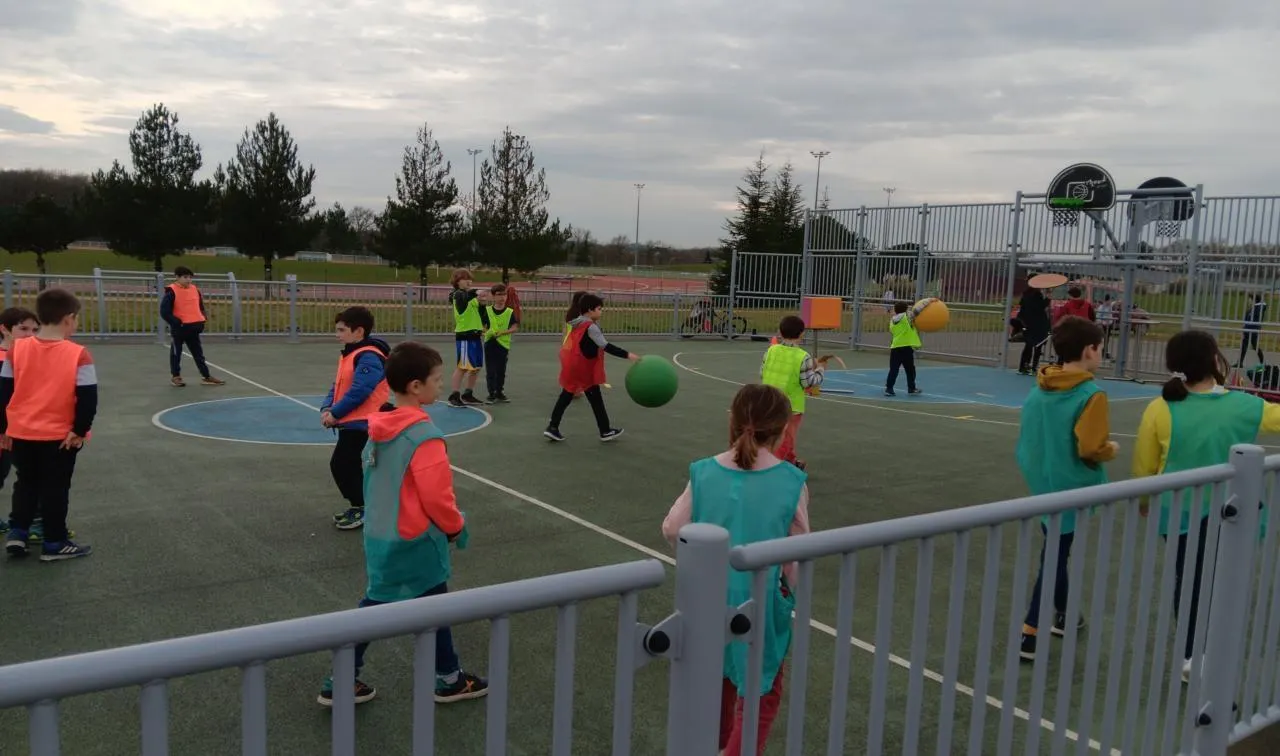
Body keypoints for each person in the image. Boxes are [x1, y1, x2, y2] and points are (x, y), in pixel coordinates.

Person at [317, 341, 487, 706]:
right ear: (415, 386)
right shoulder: (423, 437)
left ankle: (446, 676)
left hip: (381, 532)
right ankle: (445, 679)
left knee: (413, 603)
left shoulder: (379, 427)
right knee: (407, 606)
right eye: (437, 379)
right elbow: (437, 497)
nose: (440, 385)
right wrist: (455, 527)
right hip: (415, 538)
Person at [661, 384, 810, 755]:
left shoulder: (703, 472)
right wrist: (788, 589)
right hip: (761, 600)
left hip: (709, 595)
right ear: (783, 430)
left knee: (717, 682)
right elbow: (798, 550)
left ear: (732, 420)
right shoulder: (792, 481)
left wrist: (700, 562)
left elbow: (673, 528)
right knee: (760, 693)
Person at [1133, 329, 1280, 682]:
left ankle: (1191, 653)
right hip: (1232, 511)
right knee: (1224, 580)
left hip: (1178, 510)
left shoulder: (1160, 408)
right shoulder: (1246, 405)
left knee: (1189, 580)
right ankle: (1210, 647)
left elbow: (1144, 465)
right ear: (1215, 360)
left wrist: (1144, 501)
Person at [1014, 315, 1117, 660]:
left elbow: (1029, 435)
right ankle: (1031, 628)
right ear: (1089, 350)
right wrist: (1110, 450)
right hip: (1071, 483)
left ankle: (1066, 615)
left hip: (1042, 478)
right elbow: (1090, 447)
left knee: (1056, 548)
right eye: (1100, 348)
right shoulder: (1091, 394)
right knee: (1056, 554)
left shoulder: (1040, 387)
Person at [0, 288, 97, 561]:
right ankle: (54, 542)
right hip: (59, 436)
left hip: (21, 433)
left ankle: (18, 533)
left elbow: (4, 392)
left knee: (26, 483)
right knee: (55, 488)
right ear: (68, 318)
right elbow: (88, 398)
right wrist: (79, 430)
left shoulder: (16, 350)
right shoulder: (79, 354)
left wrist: (3, 428)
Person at [320, 306, 391, 531]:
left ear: (359, 331)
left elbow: (360, 391)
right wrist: (327, 407)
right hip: (352, 420)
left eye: (342, 330)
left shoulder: (368, 356)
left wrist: (335, 413)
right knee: (349, 464)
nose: (337, 335)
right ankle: (362, 504)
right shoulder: (351, 353)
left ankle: (363, 507)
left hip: (364, 422)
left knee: (342, 464)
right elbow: (338, 385)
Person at [544, 293, 638, 442]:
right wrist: (628, 355)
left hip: (572, 365)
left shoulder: (576, 323)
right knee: (595, 399)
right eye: (599, 309)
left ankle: (553, 427)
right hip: (583, 368)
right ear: (590, 310)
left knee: (566, 396)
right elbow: (605, 345)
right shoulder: (590, 326)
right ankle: (605, 431)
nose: (601, 312)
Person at [759, 315, 826, 470]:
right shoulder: (803, 356)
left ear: (780, 332)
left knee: (771, 434)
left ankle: (790, 460)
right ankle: (775, 468)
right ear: (802, 333)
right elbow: (808, 382)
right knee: (786, 438)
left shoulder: (771, 350)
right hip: (791, 405)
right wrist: (820, 370)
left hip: (768, 400)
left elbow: (762, 372)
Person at [160, 266, 225, 387]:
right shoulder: (171, 291)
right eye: (185, 277)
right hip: (179, 329)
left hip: (194, 328)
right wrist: (176, 322)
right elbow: (164, 312)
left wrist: (203, 318)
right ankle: (176, 376)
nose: (188, 280)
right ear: (177, 277)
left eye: (190, 277)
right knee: (176, 353)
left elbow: (200, 306)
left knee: (198, 354)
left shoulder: (195, 289)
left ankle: (206, 376)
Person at [446, 268, 489, 407]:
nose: (468, 281)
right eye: (465, 279)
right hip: (464, 336)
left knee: (475, 367)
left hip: (475, 335)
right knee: (462, 367)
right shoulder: (457, 294)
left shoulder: (471, 297)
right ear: (457, 281)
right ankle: (454, 395)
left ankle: (468, 394)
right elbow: (464, 298)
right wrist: (476, 292)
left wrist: (482, 304)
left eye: (470, 279)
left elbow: (481, 314)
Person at [483, 283, 520, 403]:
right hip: (490, 343)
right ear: (493, 296)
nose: (502, 297)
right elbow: (482, 326)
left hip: (503, 344)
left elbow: (514, 327)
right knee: (491, 369)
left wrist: (503, 332)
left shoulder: (509, 312)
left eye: (504, 294)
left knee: (501, 370)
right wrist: (486, 332)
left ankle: (499, 392)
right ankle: (491, 393)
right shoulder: (487, 310)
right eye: (499, 295)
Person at [884, 301, 923, 397]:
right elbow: (918, 310)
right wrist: (929, 301)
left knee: (894, 369)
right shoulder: (907, 317)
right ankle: (911, 388)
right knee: (910, 369)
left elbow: (892, 332)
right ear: (905, 309)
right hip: (906, 347)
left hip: (895, 347)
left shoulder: (892, 320)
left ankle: (889, 389)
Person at [1017, 277, 1051, 375]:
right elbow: (1040, 307)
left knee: (1028, 345)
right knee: (1038, 345)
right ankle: (1034, 367)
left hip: (1028, 323)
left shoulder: (1026, 294)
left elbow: (1022, 308)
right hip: (1038, 324)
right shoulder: (1036, 295)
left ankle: (1024, 366)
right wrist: (1048, 298)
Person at [1239, 294, 1266, 368]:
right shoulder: (1252, 309)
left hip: (1253, 330)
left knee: (1255, 346)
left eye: (1250, 299)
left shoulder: (1259, 308)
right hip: (1247, 330)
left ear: (1254, 300)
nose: (1248, 301)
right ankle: (1240, 362)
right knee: (1244, 345)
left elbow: (1255, 319)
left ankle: (1262, 363)